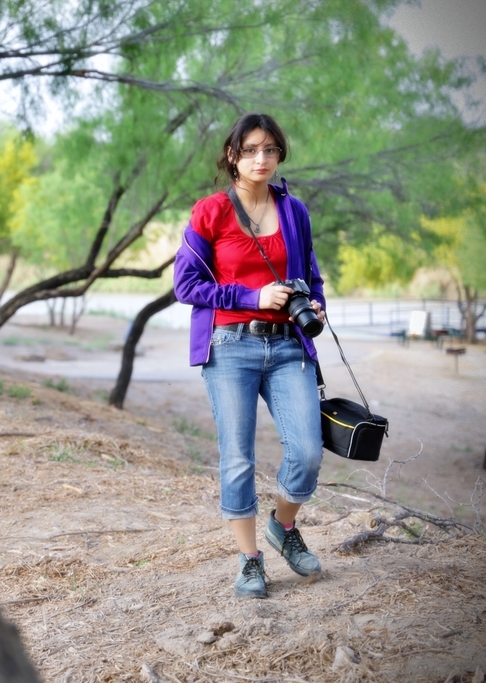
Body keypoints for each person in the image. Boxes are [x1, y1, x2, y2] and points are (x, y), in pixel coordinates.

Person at [172, 113, 326, 599]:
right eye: (252, 150)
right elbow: (186, 285)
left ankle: (283, 527)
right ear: (233, 156)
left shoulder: (295, 211)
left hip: (287, 347)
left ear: (280, 154)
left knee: (306, 451)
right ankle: (250, 561)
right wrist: (251, 297)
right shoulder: (210, 212)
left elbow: (312, 276)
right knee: (237, 458)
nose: (262, 159)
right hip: (230, 346)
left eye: (271, 150)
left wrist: (315, 301)